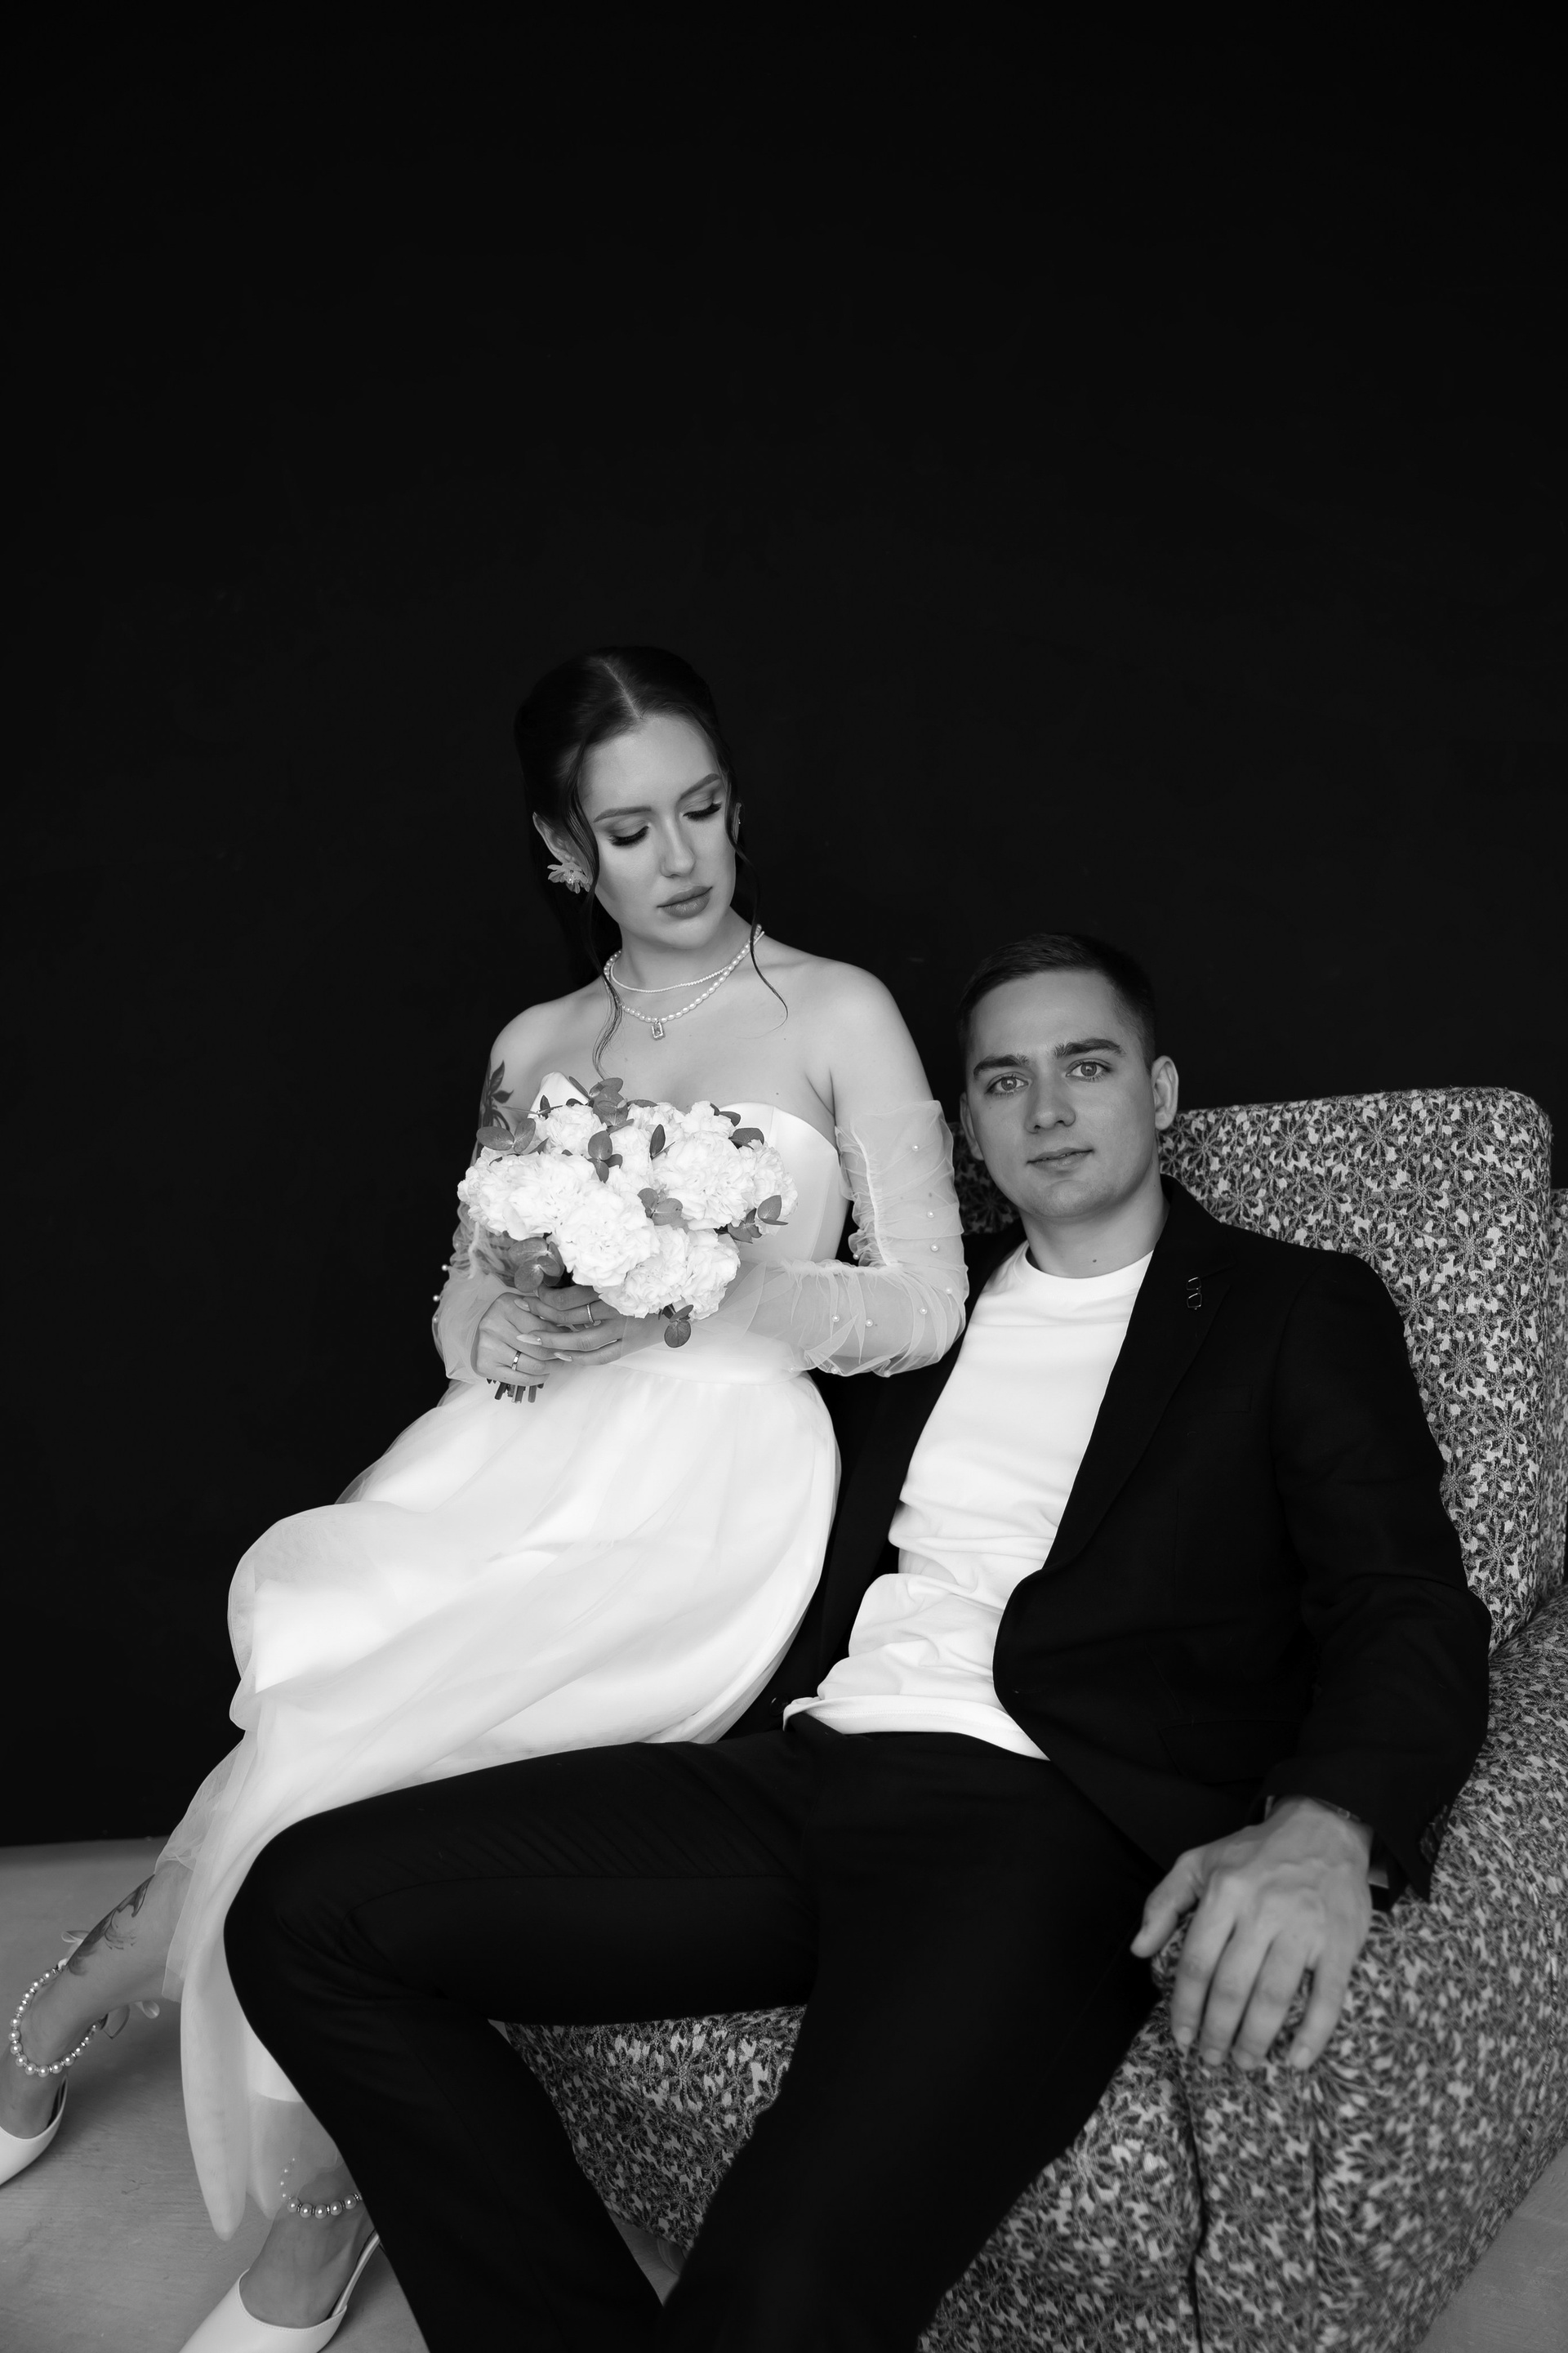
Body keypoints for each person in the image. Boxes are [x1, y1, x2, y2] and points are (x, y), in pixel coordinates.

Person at [221, 929, 1492, 2353]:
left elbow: (1405, 1597)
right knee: (304, 1913)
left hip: (1045, 1818)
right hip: (811, 1770)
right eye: (1003, 1081)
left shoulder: (1290, 1306)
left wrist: (1329, 1823)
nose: (1047, 1108)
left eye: (1087, 1066)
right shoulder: (913, 1329)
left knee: (783, 2293)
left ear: (1162, 1091)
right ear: (968, 1130)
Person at [0, 647, 966, 2351]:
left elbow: (926, 1302)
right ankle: (220, 2090)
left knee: (381, 1769)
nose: (682, 857)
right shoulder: (538, 1043)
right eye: (630, 829)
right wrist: (497, 1330)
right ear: (560, 851)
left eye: (703, 809)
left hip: (709, 1483)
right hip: (512, 1446)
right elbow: (460, 1299)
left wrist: (718, 1293)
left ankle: (136, 2041)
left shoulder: (841, 1013)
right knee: (338, 1693)